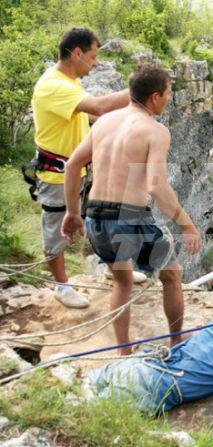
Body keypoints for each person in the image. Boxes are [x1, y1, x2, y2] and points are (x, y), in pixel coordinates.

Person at [61, 63, 202, 354]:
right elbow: (156, 187)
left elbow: (73, 164)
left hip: (96, 216)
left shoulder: (104, 121)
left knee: (122, 282)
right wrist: (186, 225)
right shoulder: (155, 131)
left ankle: (124, 352)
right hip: (129, 219)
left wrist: (72, 212)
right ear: (154, 97)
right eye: (167, 93)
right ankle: (176, 340)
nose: (169, 98)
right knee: (171, 275)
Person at [31, 27, 132, 309]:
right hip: (56, 173)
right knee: (55, 226)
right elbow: (98, 107)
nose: (96, 62)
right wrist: (139, 89)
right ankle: (62, 287)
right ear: (77, 53)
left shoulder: (69, 81)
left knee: (101, 219)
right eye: (93, 56)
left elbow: (83, 116)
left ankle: (116, 272)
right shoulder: (53, 85)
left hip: (79, 169)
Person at [88, 296, 213, 413]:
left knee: (79, 391)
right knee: (90, 411)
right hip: (156, 388)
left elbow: (193, 335)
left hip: (142, 364)